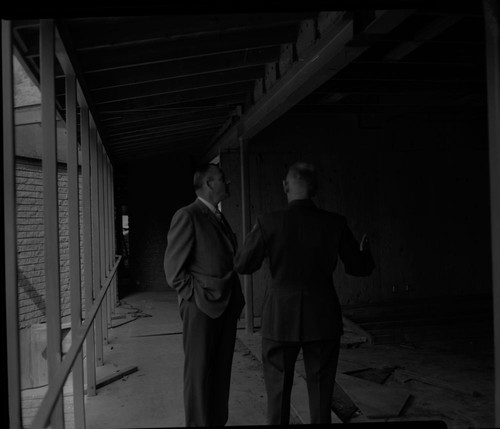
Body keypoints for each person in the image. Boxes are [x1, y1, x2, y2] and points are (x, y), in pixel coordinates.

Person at [234, 161, 375, 425]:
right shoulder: (335, 223)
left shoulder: (268, 222)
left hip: (279, 319)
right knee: (322, 395)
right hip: (322, 318)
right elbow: (358, 268)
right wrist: (366, 252)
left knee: (277, 395)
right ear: (316, 189)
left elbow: (243, 264)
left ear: (285, 186)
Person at [164, 163, 245, 427]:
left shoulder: (217, 216)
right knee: (198, 375)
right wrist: (197, 296)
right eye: (224, 179)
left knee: (221, 372)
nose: (228, 183)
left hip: (226, 305)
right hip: (201, 308)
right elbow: (174, 272)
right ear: (210, 184)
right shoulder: (188, 215)